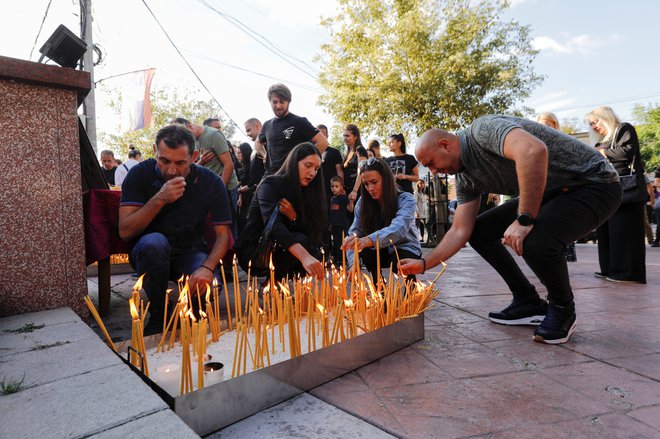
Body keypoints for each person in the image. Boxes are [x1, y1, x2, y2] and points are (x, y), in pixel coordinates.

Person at [402, 115, 620, 345]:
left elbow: (533, 150)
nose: (433, 172)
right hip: (554, 192)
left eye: (431, 164)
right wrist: (426, 264)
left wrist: (524, 220)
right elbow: (460, 230)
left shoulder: (482, 131)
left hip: (595, 183)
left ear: (444, 145)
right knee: (480, 231)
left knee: (535, 241)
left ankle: (562, 309)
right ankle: (527, 301)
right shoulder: (465, 177)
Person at [119, 124, 232, 335]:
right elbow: (125, 231)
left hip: (191, 251)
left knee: (206, 293)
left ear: (194, 156)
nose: (171, 170)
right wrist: (160, 199)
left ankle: (191, 309)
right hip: (149, 251)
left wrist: (207, 268)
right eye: (164, 161)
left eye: (180, 163)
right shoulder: (138, 175)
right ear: (155, 151)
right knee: (154, 242)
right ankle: (159, 313)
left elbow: (223, 236)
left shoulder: (211, 181)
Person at [236, 142, 328, 280]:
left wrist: (294, 217)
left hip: (283, 247)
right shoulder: (270, 184)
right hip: (256, 249)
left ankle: (282, 281)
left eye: (316, 168)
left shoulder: (308, 191)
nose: (312, 173)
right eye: (308, 166)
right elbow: (274, 226)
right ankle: (272, 283)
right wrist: (304, 256)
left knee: (313, 247)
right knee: (302, 242)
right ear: (293, 162)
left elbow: (313, 229)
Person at [587, 106, 646, 283]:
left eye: (595, 121)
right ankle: (609, 269)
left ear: (605, 117)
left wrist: (602, 152)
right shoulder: (603, 140)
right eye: (591, 124)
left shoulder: (624, 128)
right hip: (608, 191)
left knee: (624, 232)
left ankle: (627, 274)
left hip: (627, 189)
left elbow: (628, 151)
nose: (594, 126)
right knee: (607, 233)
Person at [342, 157, 423, 283]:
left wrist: (368, 240)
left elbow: (399, 228)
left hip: (405, 248)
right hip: (379, 250)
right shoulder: (362, 203)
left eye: (374, 182)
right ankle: (378, 290)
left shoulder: (406, 199)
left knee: (401, 260)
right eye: (366, 184)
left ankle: (410, 291)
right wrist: (353, 262)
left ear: (386, 180)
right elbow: (354, 232)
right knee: (365, 249)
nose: (370, 188)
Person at [172, 117, 239, 239]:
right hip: (208, 190)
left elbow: (229, 165)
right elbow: (192, 167)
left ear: (190, 126)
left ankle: (237, 256)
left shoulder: (213, 135)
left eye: (185, 134)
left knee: (229, 227)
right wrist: (201, 161)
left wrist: (221, 189)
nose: (184, 139)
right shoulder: (192, 141)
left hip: (227, 188)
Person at [261, 83, 329, 175]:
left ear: (288, 102)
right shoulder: (267, 125)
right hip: (270, 176)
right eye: (275, 102)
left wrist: (306, 164)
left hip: (291, 176)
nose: (278, 106)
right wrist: (264, 154)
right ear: (270, 102)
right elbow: (258, 143)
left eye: (282, 102)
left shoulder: (299, 122)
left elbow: (323, 142)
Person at [535, 113, 577, 262]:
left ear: (555, 125)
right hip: (544, 189)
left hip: (562, 188)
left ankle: (559, 261)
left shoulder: (564, 142)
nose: (545, 127)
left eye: (548, 124)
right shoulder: (534, 143)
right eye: (541, 124)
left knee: (559, 226)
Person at [329, 176, 353, 266]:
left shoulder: (343, 198)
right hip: (335, 225)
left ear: (341, 187)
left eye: (336, 186)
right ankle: (338, 260)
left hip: (343, 225)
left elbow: (350, 209)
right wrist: (330, 224)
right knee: (336, 243)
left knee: (343, 242)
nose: (334, 188)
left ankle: (344, 260)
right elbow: (332, 213)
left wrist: (351, 201)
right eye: (332, 186)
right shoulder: (332, 199)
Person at [342, 124, 369, 203]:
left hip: (357, 190)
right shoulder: (348, 152)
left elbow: (361, 171)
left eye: (347, 136)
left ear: (355, 137)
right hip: (348, 190)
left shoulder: (360, 149)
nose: (345, 138)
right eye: (343, 136)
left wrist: (355, 190)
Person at [235, 142, 253, 234]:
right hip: (244, 198)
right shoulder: (243, 166)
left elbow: (252, 184)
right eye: (236, 153)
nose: (237, 155)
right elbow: (242, 184)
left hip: (251, 198)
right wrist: (240, 197)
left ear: (245, 153)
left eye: (239, 153)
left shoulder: (252, 166)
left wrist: (238, 190)